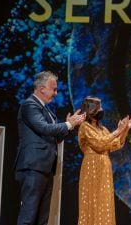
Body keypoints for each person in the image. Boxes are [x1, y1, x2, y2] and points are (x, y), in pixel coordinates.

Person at [14, 71, 86, 225]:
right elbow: (44, 128)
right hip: (33, 167)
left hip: (45, 168)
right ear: (41, 89)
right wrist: (69, 124)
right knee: (28, 216)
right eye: (53, 89)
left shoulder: (47, 111)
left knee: (42, 218)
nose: (56, 93)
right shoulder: (30, 105)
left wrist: (69, 127)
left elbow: (55, 137)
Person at [77, 96, 131, 225]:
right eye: (99, 108)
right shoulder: (85, 127)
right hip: (91, 169)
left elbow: (115, 144)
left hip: (104, 169)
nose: (102, 110)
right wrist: (118, 130)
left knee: (104, 203)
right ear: (91, 110)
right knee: (92, 202)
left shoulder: (103, 129)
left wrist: (126, 129)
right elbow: (99, 144)